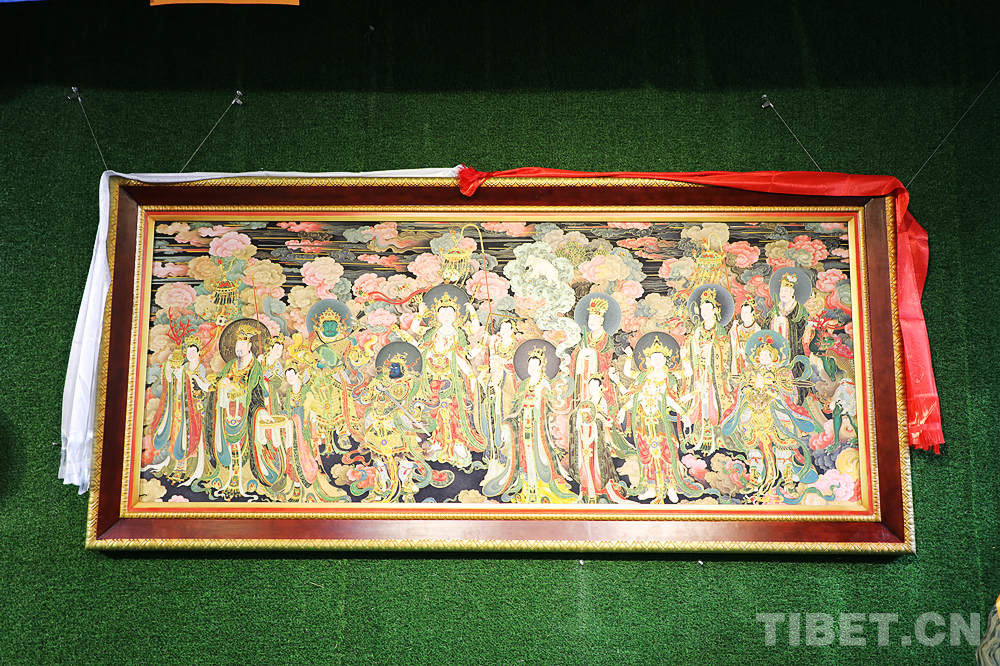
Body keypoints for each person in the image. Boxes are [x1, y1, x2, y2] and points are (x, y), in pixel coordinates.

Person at [721, 330, 818, 502]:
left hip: (775, 415)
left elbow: (791, 394)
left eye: (767, 354)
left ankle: (788, 481)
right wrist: (749, 390)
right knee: (754, 449)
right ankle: (755, 479)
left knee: (782, 448)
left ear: (774, 356)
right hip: (754, 416)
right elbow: (740, 391)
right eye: (761, 354)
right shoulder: (749, 372)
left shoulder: (782, 373)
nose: (764, 357)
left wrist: (774, 391)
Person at [614, 333, 701, 503]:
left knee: (666, 453)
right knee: (646, 453)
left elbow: (674, 397)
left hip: (662, 422)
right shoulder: (643, 377)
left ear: (665, 359)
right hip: (643, 422)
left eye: (660, 357)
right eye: (654, 357)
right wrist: (623, 410)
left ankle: (670, 487)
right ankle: (651, 487)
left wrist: (684, 415)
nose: (657, 360)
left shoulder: (669, 377)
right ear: (649, 360)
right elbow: (634, 394)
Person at [144, 334, 211, 484]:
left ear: (198, 353)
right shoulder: (184, 366)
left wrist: (190, 378)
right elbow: (174, 382)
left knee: (191, 434)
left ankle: (190, 467)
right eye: (188, 351)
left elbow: (202, 387)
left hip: (194, 407)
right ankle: (178, 465)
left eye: (193, 351)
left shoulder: (200, 368)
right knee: (178, 432)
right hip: (180, 405)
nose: (190, 354)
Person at [683, 287, 733, 452]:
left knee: (713, 402)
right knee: (699, 402)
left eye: (708, 309)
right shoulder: (697, 331)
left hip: (715, 376)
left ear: (715, 311)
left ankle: (716, 437)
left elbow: (726, 351)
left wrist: (711, 349)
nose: (704, 312)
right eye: (702, 309)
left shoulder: (720, 331)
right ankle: (699, 437)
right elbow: (688, 349)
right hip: (699, 373)